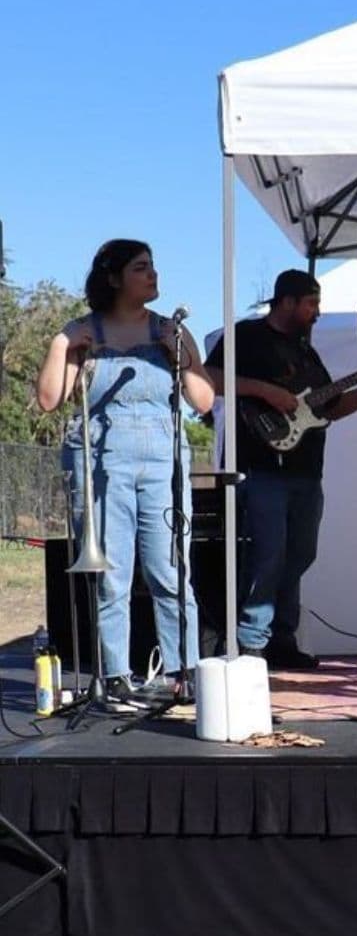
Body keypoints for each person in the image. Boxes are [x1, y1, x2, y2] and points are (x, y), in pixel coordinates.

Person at [36, 239, 216, 701]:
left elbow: (203, 400)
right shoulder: (82, 331)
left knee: (170, 569)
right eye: (141, 268)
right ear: (114, 278)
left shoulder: (170, 330)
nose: (153, 275)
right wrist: (62, 347)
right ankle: (115, 673)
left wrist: (180, 356)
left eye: (153, 266)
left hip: (162, 460)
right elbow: (49, 400)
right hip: (101, 460)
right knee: (111, 570)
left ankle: (184, 669)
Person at [205, 270, 357, 669]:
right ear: (287, 301)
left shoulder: (308, 355)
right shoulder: (245, 336)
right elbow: (209, 378)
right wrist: (265, 391)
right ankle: (251, 642)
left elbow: (334, 407)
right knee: (268, 553)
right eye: (311, 303)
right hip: (260, 466)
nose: (317, 312)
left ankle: (282, 638)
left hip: (305, 471)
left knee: (300, 554)